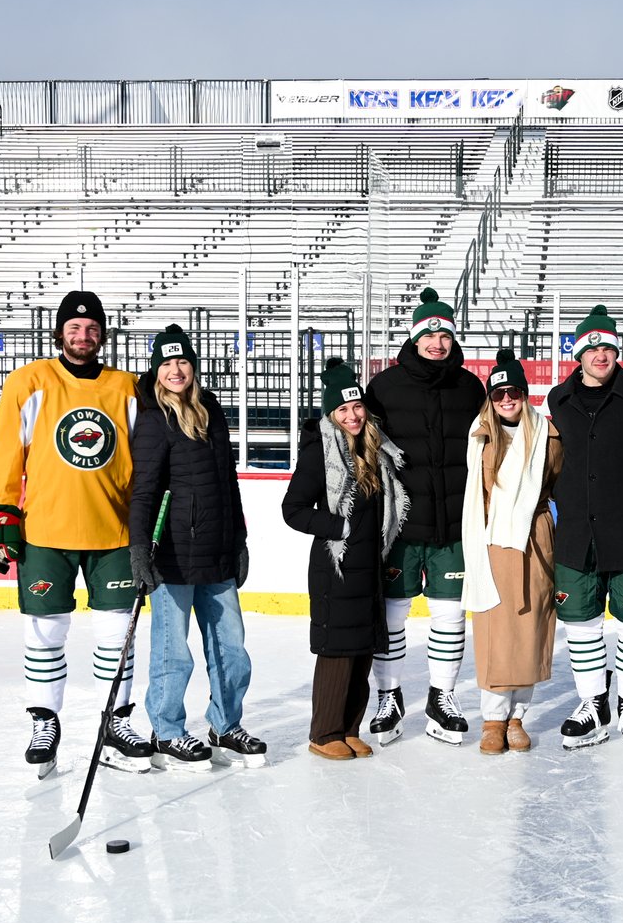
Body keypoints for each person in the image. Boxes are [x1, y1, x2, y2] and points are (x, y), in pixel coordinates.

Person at [0, 289, 154, 777]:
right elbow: (5, 454)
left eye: (92, 329)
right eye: (75, 328)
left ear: (102, 335)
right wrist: (0, 517)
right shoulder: (29, 380)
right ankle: (45, 720)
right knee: (45, 630)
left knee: (116, 632)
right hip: (45, 531)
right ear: (60, 332)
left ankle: (115, 722)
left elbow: (149, 457)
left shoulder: (126, 387)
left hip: (114, 530)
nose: (84, 336)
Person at [129, 326, 263, 772]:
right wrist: (138, 551)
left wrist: (239, 540)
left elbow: (228, 483)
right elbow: (144, 491)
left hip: (219, 552)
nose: (175, 370)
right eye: (166, 364)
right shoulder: (153, 418)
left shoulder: (212, 411)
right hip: (172, 557)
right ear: (156, 371)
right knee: (174, 651)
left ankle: (225, 726)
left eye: (182, 361)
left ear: (194, 366)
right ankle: (167, 731)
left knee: (231, 648)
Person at [546, 305, 623, 753]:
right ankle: (592, 703)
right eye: (593, 346)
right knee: (581, 623)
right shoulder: (558, 400)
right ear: (578, 353)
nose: (602, 353)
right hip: (576, 532)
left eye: (608, 346)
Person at [363, 287, 485, 746]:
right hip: (400, 525)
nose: (438, 343)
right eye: (429, 335)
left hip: (454, 524)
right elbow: (362, 448)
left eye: (445, 335)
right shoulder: (385, 387)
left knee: (449, 614)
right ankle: (388, 696)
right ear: (415, 339)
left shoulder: (470, 386)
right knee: (393, 613)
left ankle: (442, 697)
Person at [282, 359, 410, 760]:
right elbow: (294, 509)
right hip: (335, 569)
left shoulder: (375, 449)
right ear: (330, 414)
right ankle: (324, 733)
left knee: (362, 650)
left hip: (368, 569)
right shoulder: (319, 452)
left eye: (357, 408)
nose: (353, 416)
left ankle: (349, 728)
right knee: (337, 652)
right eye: (343, 410)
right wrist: (341, 528)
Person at [461, 349, 563, 754]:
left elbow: (556, 485)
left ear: (525, 394)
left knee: (529, 627)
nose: (507, 399)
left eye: (514, 391)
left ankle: (517, 716)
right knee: (495, 633)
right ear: (490, 397)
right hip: (490, 541)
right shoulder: (480, 436)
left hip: (534, 541)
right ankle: (492, 718)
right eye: (499, 392)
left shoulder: (548, 436)